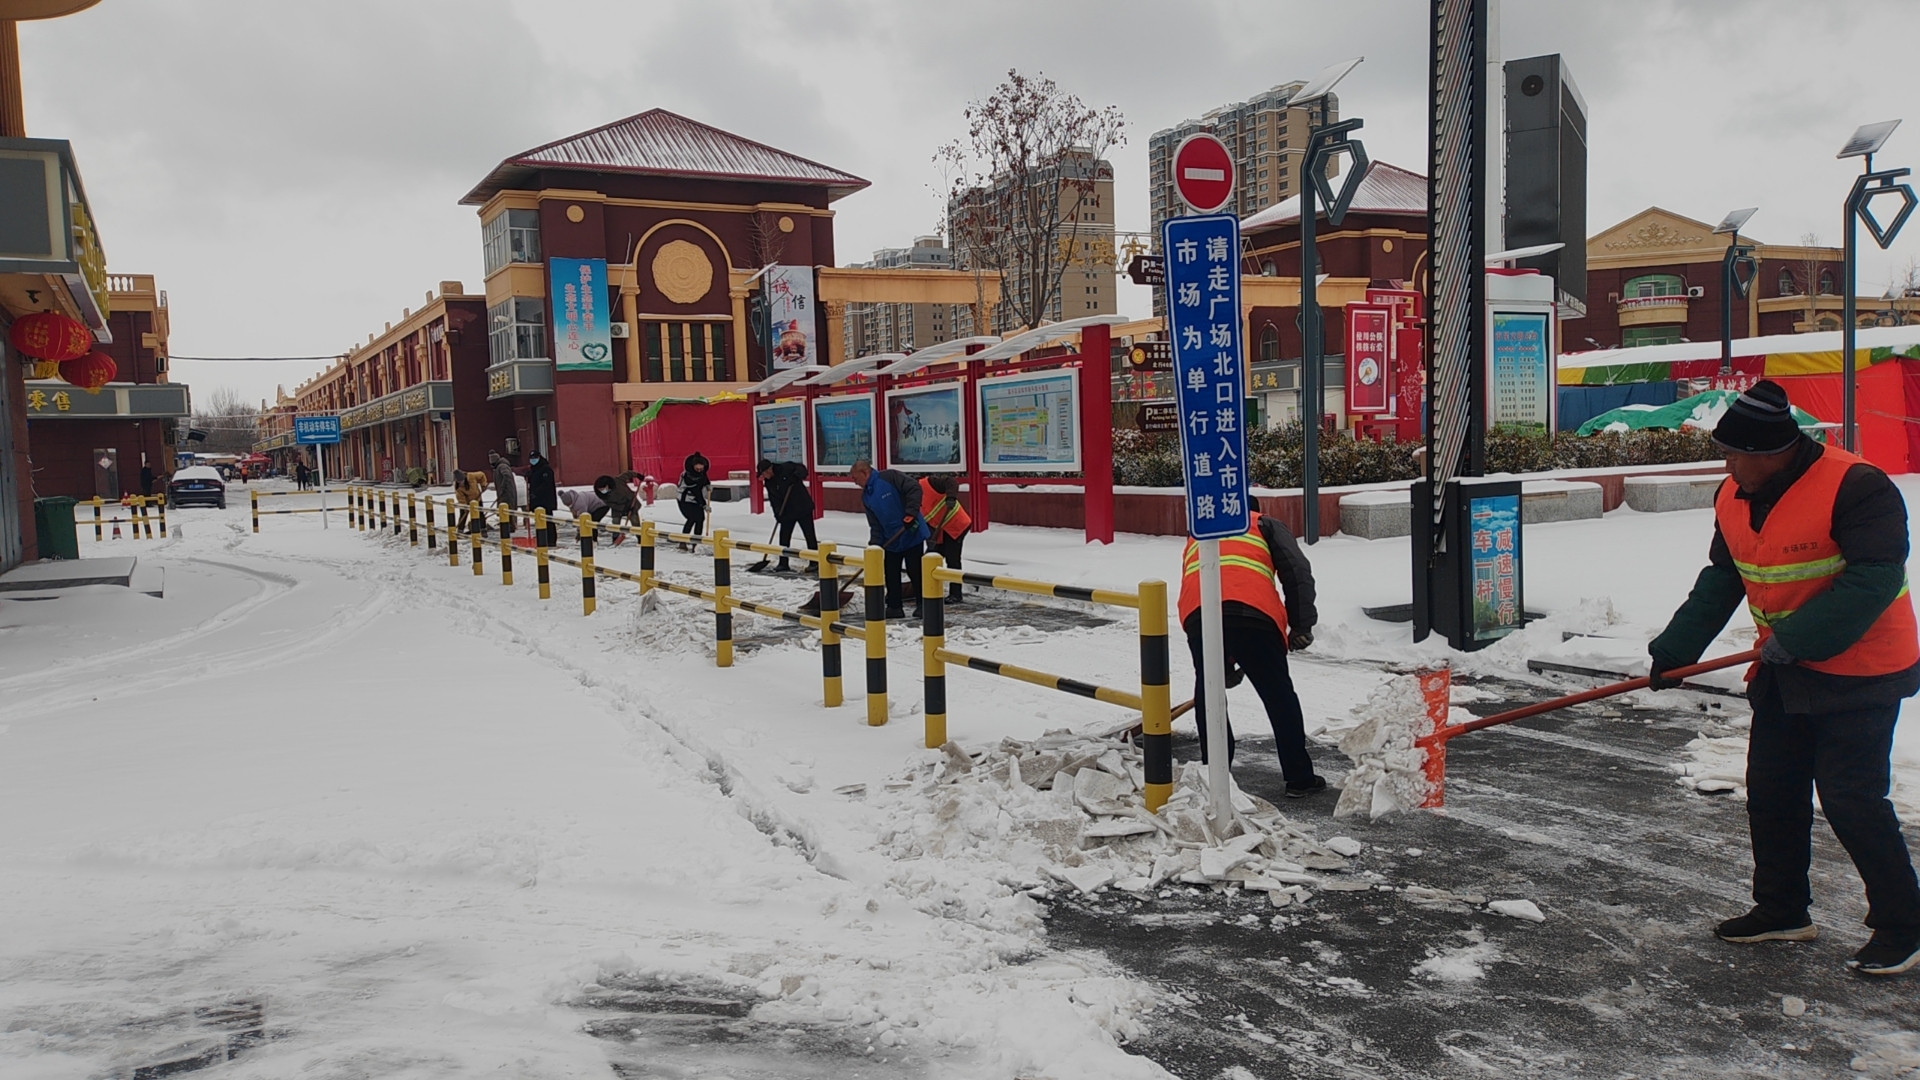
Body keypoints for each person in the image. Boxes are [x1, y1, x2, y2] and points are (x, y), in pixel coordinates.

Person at [1648, 380, 1920, 976]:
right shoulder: (1733, 494)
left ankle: (1903, 925)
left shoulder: (1859, 487)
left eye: (1734, 454)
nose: (1727, 466)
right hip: (1783, 667)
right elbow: (1724, 576)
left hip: (1862, 669)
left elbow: (1876, 577)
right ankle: (1782, 909)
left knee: (1850, 797)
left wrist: (1798, 639)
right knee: (1772, 790)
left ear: (1772, 452)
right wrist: (1676, 650)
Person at [1177, 495, 1323, 797]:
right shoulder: (1263, 524)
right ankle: (1299, 777)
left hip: (1199, 615)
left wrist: (1225, 667)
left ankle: (1214, 775)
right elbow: (1296, 572)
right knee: (1278, 694)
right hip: (1253, 614)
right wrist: (1301, 625)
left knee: (1209, 692)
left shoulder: (1200, 532)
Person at [849, 458, 930, 619]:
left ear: (865, 472)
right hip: (891, 540)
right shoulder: (866, 496)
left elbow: (914, 488)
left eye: (855, 478)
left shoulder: (890, 477)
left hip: (910, 533)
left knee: (915, 570)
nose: (854, 482)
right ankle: (894, 606)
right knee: (891, 573)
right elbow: (875, 524)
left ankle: (924, 605)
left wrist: (911, 513)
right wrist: (874, 546)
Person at [758, 457, 817, 572]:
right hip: (786, 512)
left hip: (802, 507)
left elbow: (802, 469)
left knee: (809, 535)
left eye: (763, 474)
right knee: (784, 538)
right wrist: (777, 514)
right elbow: (774, 500)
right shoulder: (769, 483)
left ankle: (815, 562)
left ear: (769, 470)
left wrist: (797, 475)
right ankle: (783, 563)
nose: (763, 477)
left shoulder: (786, 468)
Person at [921, 474, 971, 604]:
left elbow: (951, 481)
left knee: (952, 559)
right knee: (929, 559)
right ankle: (926, 590)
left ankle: (956, 594)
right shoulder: (910, 501)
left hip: (957, 525)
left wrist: (951, 498)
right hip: (940, 531)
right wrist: (930, 541)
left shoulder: (929, 484)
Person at [591, 471, 643, 546]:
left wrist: (637, 475)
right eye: (600, 489)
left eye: (603, 488)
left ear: (607, 485)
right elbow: (611, 505)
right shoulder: (603, 496)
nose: (602, 491)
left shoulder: (618, 481)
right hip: (617, 508)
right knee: (615, 522)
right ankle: (615, 538)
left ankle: (640, 538)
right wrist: (623, 508)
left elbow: (628, 474)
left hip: (631, 502)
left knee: (635, 521)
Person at [525, 452, 558, 547]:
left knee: (548, 520)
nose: (533, 460)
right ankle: (542, 538)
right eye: (531, 458)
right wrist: (528, 476)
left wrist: (536, 493)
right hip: (537, 501)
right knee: (539, 520)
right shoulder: (533, 469)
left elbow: (546, 484)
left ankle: (551, 540)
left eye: (535, 457)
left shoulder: (546, 469)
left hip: (546, 500)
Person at [677, 453, 712, 540]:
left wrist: (708, 485)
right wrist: (704, 505)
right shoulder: (689, 477)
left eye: (701, 469)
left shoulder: (701, 473)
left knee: (700, 519)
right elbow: (696, 492)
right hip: (685, 499)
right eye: (697, 469)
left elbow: (704, 478)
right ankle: (683, 540)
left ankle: (696, 540)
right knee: (692, 518)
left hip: (696, 499)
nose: (699, 471)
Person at [454, 469, 489, 536]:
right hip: (467, 502)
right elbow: (461, 498)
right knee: (463, 515)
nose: (460, 482)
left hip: (477, 499)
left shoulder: (471, 476)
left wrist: (483, 485)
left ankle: (483, 530)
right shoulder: (458, 487)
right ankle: (460, 531)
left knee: (480, 514)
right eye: (459, 481)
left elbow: (482, 475)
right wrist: (465, 507)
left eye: (461, 480)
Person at [491, 451, 519, 534]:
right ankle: (509, 526)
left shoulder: (502, 466)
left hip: (506, 493)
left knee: (507, 509)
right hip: (503, 492)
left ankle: (510, 526)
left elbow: (506, 475)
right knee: (505, 509)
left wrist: (503, 487)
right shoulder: (499, 467)